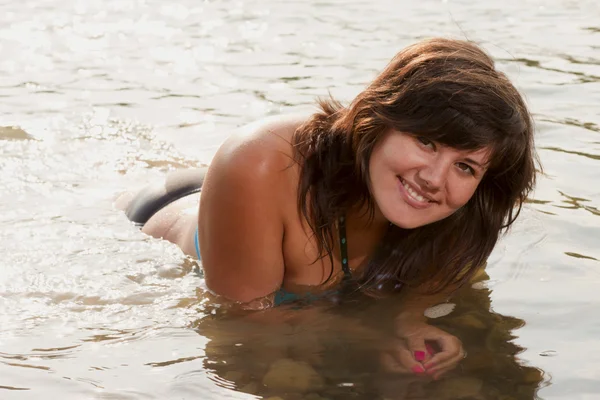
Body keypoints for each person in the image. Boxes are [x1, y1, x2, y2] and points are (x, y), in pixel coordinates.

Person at [117, 37, 538, 379]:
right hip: (162, 210)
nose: (434, 178)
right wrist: (372, 336)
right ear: (380, 116)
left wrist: (410, 322)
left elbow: (426, 289)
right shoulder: (261, 160)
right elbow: (243, 327)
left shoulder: (462, 209)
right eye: (426, 141)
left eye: (464, 166)